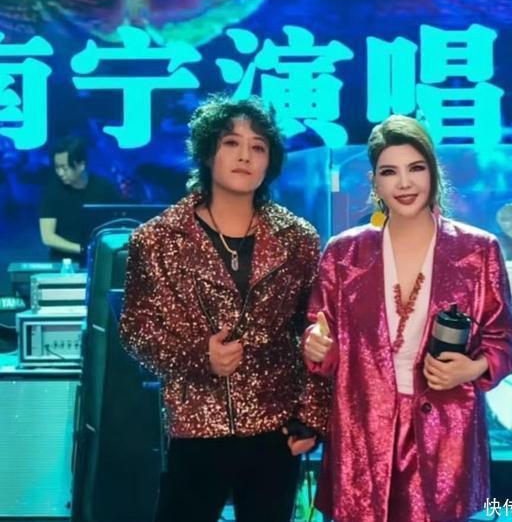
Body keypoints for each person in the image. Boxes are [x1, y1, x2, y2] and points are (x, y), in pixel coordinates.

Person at [119, 94, 330, 522]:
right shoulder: (157, 239)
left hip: (275, 426)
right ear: (207, 152)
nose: (245, 156)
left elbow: (314, 328)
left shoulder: (298, 239)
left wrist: (312, 416)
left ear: (270, 161)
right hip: (197, 422)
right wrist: (199, 356)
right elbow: (135, 329)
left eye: (258, 147)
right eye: (231, 143)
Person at [303, 115, 512, 522]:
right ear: (375, 182)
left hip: (446, 433)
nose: (404, 183)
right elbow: (322, 335)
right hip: (363, 431)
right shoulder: (344, 253)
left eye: (415, 168)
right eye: (390, 172)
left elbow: (503, 340)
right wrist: (316, 344)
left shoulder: (478, 250)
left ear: (433, 173)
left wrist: (472, 368)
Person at [39, 136, 121, 264]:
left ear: (81, 165)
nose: (60, 173)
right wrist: (83, 249)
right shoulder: (53, 191)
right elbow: (47, 237)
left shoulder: (104, 187)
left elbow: (118, 223)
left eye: (65, 168)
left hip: (100, 260)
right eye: (57, 168)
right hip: (64, 262)